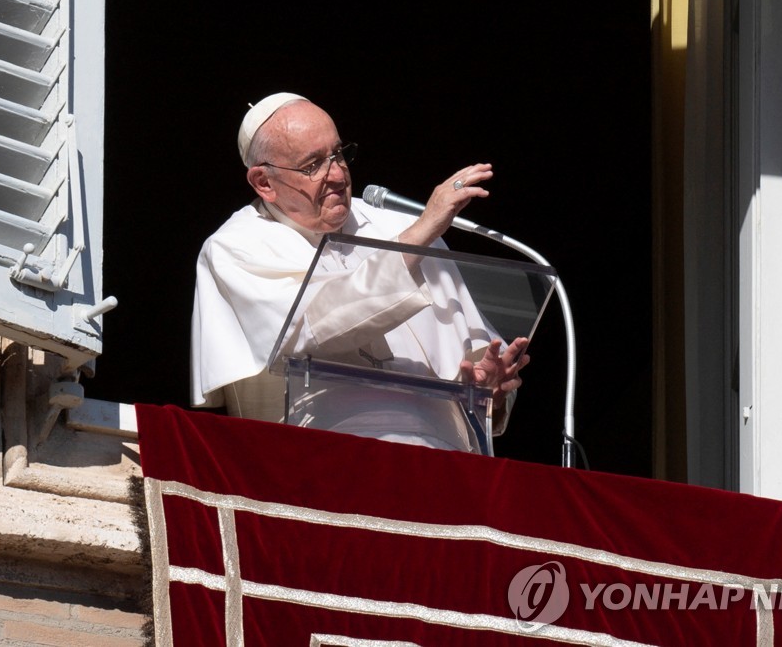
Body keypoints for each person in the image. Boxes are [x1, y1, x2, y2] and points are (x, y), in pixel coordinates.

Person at [190, 92, 530, 451]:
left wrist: (487, 390)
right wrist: (421, 231)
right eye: (313, 165)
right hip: (315, 462)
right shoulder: (237, 246)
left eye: (339, 154)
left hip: (443, 460)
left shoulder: (401, 228)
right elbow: (313, 325)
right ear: (264, 182)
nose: (337, 174)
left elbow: (475, 362)